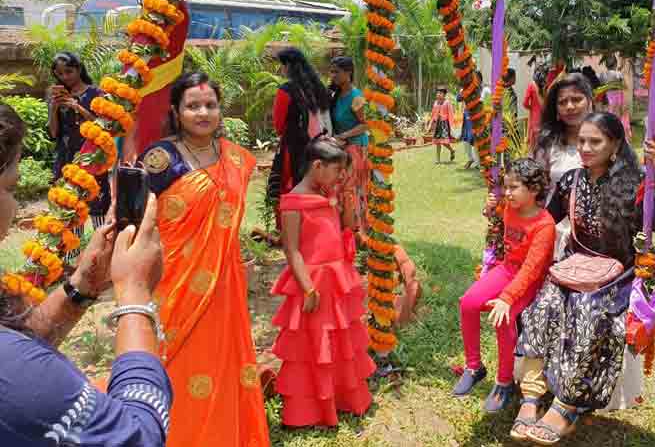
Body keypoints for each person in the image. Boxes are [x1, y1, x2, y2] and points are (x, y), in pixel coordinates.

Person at [0, 102, 172, 445]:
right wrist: (135, 295)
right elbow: (139, 434)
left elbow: (17, 340)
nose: (15, 206)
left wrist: (82, 287)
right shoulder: (18, 375)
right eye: (10, 187)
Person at [513, 112, 655, 445]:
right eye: (582, 141)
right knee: (542, 303)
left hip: (619, 274)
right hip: (574, 266)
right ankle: (531, 395)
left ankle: (566, 404)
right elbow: (542, 219)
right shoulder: (572, 181)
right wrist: (506, 205)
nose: (585, 148)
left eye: (595, 142)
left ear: (615, 144)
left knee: (587, 312)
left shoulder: (634, 183)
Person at [139, 73, 270, 447]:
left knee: (224, 361)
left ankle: (227, 433)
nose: (203, 112)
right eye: (193, 105)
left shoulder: (237, 159)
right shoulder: (161, 159)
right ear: (177, 112)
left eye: (210, 105)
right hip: (174, 284)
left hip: (225, 283)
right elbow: (141, 221)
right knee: (177, 360)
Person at [270, 136, 375, 427]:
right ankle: (311, 410)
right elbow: (291, 250)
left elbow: (348, 228)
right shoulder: (293, 203)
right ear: (318, 166)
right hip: (313, 282)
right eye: (336, 170)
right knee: (313, 346)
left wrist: (347, 201)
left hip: (335, 279)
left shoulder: (327, 194)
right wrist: (307, 288)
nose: (340, 176)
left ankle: (343, 398)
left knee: (339, 342)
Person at [453, 158, 555, 412]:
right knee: (468, 303)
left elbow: (532, 270)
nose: (507, 193)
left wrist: (507, 298)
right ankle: (474, 366)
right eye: (505, 187)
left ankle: (505, 380)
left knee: (504, 317)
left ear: (533, 190)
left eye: (513, 187)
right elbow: (494, 214)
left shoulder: (544, 224)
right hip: (507, 269)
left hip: (531, 281)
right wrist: (488, 209)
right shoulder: (509, 207)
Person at [269, 48, 333, 239]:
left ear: (288, 66)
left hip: (293, 148)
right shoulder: (318, 88)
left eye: (282, 66)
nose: (281, 70)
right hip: (320, 147)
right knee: (316, 185)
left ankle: (291, 233)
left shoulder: (286, 91)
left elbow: (279, 125)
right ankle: (316, 228)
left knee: (289, 187)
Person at [48, 52, 111, 236]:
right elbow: (53, 133)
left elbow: (103, 126)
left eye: (69, 71)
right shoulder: (55, 97)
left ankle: (103, 250)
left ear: (79, 69)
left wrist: (78, 107)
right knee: (69, 207)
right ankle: (72, 257)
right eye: (60, 74)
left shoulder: (96, 93)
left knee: (98, 205)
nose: (65, 77)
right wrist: (53, 108)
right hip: (66, 159)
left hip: (92, 156)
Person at [532, 74, 593, 205]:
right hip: (556, 223)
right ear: (557, 110)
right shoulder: (547, 144)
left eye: (576, 99)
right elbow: (535, 188)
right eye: (562, 102)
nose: (569, 106)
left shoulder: (609, 138)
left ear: (589, 102)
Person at [329, 56, 369, 232]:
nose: (333, 75)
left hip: (355, 148)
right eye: (331, 71)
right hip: (340, 149)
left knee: (352, 188)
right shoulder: (335, 95)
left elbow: (365, 124)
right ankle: (344, 227)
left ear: (348, 73)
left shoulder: (356, 96)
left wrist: (344, 135)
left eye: (336, 72)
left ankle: (356, 229)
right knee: (341, 188)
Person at [600, 55, 632, 142]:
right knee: (620, 119)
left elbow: (601, 89)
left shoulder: (602, 75)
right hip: (618, 97)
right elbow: (625, 87)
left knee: (609, 120)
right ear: (615, 63)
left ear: (606, 64)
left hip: (607, 97)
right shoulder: (618, 74)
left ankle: (611, 138)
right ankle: (622, 139)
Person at [427, 87, 456, 164]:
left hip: (444, 124)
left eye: (440, 93)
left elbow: (451, 115)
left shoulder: (447, 103)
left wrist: (452, 126)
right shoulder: (435, 103)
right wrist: (430, 125)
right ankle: (438, 159)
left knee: (444, 142)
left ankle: (452, 150)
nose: (438, 94)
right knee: (438, 142)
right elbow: (433, 115)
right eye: (438, 93)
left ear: (444, 94)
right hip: (437, 124)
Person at [524, 65, 547, 150]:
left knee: (533, 146)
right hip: (544, 118)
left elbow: (525, 103)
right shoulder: (546, 86)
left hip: (534, 118)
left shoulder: (531, 86)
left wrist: (531, 108)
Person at [458, 92, 479, 169]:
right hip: (466, 114)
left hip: (475, 114)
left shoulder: (477, 87)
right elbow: (458, 98)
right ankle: (471, 159)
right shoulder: (464, 88)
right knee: (465, 139)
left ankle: (478, 162)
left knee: (474, 139)